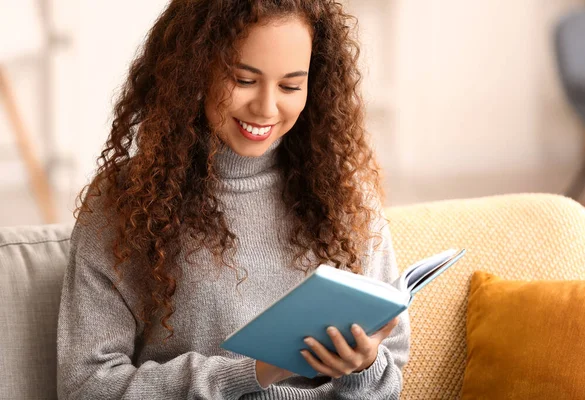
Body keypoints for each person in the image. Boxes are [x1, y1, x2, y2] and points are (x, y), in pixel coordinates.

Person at [56, 0, 410, 399]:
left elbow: (390, 379)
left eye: (291, 86)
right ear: (194, 70)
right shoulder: (125, 202)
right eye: (243, 80)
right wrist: (251, 372)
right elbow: (85, 386)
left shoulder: (344, 193)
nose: (266, 108)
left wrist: (363, 369)